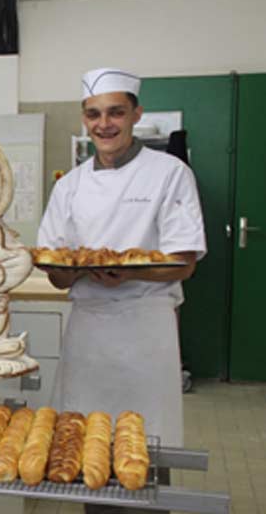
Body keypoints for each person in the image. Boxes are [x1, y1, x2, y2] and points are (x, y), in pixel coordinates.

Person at [38, 68, 204, 472]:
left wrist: (129, 273)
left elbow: (184, 263)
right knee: (81, 450)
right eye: (94, 114)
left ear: (136, 114)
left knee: (146, 452)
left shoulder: (169, 173)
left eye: (115, 112)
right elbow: (55, 271)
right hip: (88, 331)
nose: (104, 124)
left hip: (147, 330)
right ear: (84, 119)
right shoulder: (69, 186)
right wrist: (73, 269)